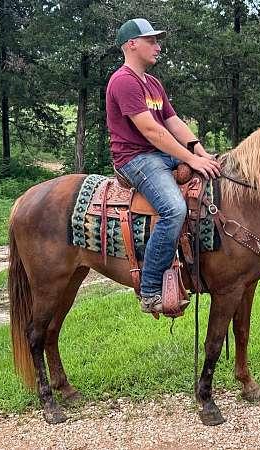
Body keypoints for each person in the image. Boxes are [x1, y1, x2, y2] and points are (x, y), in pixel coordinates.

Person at [106, 18, 221, 314]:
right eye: (151, 41)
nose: (158, 47)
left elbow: (172, 122)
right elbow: (151, 131)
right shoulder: (123, 81)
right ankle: (150, 289)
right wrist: (189, 159)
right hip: (137, 158)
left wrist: (200, 152)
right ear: (132, 44)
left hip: (161, 154)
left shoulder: (153, 83)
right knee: (174, 209)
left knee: (216, 180)